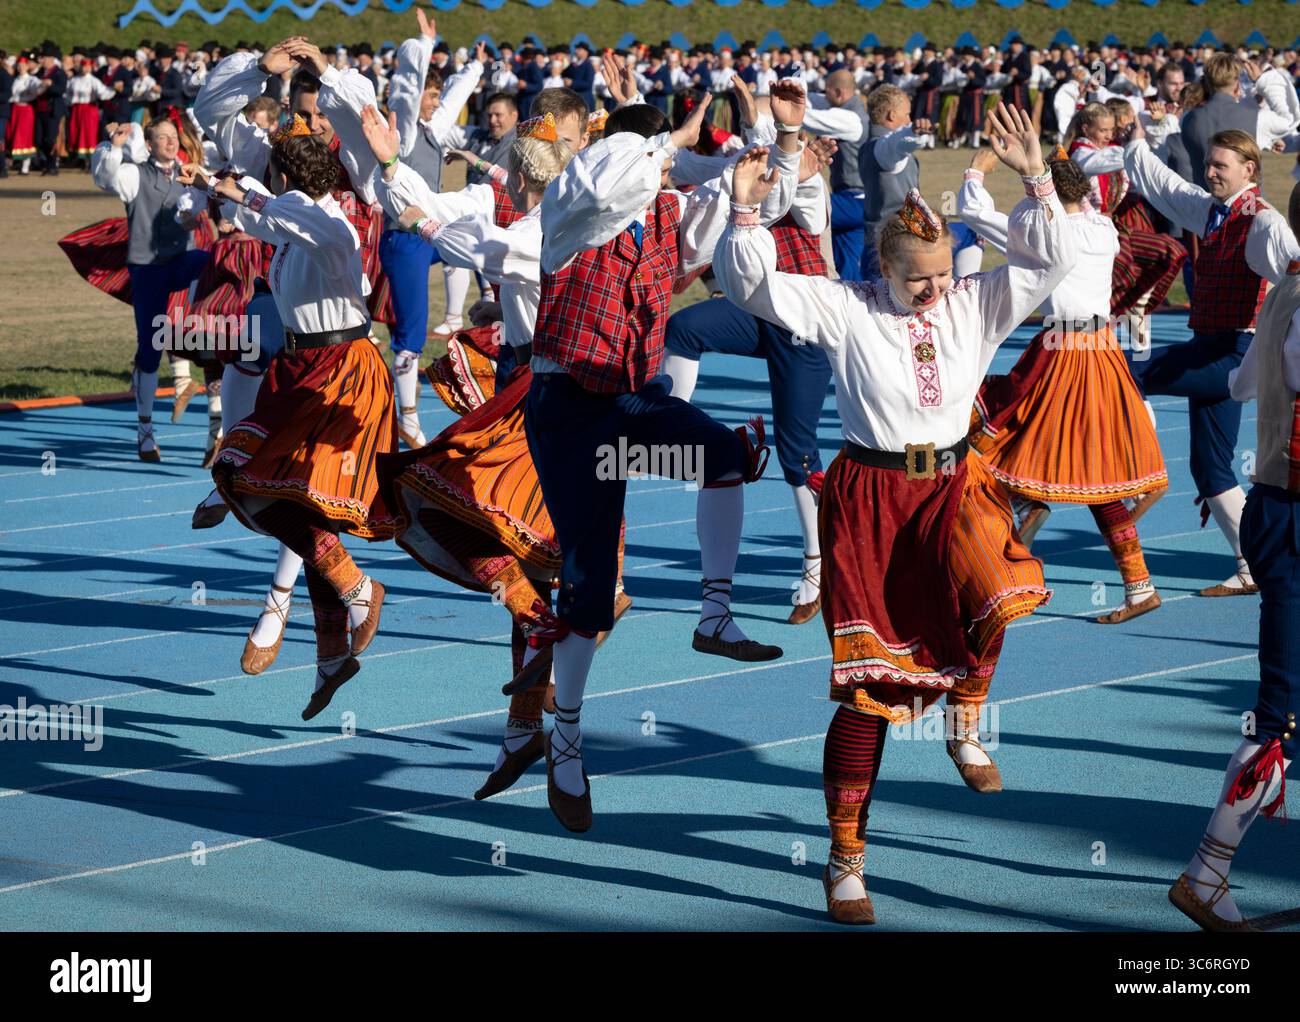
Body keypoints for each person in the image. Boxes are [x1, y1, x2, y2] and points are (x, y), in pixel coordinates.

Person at [714, 103, 1072, 924]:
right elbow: (751, 284)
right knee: (873, 692)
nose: (936, 288)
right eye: (920, 277)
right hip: (872, 503)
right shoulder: (848, 308)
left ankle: (966, 718)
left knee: (1004, 588)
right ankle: (844, 861)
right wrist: (742, 210)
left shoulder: (972, 305)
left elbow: (1048, 262)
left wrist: (1034, 173)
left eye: (944, 272)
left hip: (954, 487)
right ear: (883, 265)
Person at [522, 91, 800, 832]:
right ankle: (568, 736)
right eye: (660, 155)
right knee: (585, 587)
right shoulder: (571, 212)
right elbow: (613, 174)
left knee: (726, 456)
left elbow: (719, 214)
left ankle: (714, 616)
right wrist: (657, 141)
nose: (667, 166)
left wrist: (744, 183)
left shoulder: (662, 212)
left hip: (628, 406)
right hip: (568, 411)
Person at [186, 117, 394, 722]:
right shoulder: (295, 218)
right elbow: (265, 219)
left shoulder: (328, 221)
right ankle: (333, 651)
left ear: (285, 178)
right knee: (262, 484)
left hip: (342, 368)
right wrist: (211, 185)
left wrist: (242, 191)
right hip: (303, 364)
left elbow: (280, 214)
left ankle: (356, 592)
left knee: (279, 489)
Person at [960, 146, 1167, 623]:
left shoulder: (1040, 231)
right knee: (1099, 472)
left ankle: (1008, 545)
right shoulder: (1102, 228)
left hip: (1061, 354)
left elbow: (973, 211)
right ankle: (1138, 587)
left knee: (989, 441)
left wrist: (977, 171)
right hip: (1103, 351)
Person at [1169, 181, 1300, 932]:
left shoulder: (1284, 292)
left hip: (1277, 505)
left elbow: (1244, 383)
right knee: (1277, 712)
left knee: (1285, 703)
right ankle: (1207, 870)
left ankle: (1209, 869)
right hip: (1292, 513)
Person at [663, 75, 837, 624]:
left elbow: (784, 189)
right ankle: (671, 423)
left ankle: (818, 564)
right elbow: (682, 166)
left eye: (765, 140)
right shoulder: (744, 170)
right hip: (759, 310)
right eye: (752, 142)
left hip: (802, 321)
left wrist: (787, 135)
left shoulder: (806, 185)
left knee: (797, 454)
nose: (752, 152)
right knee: (684, 327)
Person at [1124, 124, 1300, 594]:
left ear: (1249, 169)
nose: (1210, 172)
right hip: (1207, 346)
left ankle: (1140, 473)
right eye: (1209, 164)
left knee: (1125, 372)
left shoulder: (1261, 221)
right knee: (1211, 468)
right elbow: (1165, 187)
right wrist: (1142, 137)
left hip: (1233, 354)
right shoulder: (1211, 212)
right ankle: (1252, 566)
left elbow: (1293, 271)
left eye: (1220, 166)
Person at [379, 12, 486, 445]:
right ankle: (407, 415)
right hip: (405, 239)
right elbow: (406, 95)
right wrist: (421, 48)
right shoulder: (403, 133)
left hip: (433, 232)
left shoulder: (434, 128)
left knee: (481, 244)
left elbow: (453, 96)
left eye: (437, 95)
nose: (435, 101)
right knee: (409, 330)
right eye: (431, 94)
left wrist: (474, 67)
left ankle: (457, 317)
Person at [90, 117, 211, 461]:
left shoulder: (189, 175)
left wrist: (198, 214)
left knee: (215, 261)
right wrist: (112, 146)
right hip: (147, 269)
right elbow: (106, 178)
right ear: (150, 143)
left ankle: (212, 347)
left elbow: (207, 201)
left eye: (174, 137)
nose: (171, 143)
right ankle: (145, 432)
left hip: (180, 260)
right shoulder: (134, 175)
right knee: (150, 349)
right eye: (163, 138)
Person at [858, 84, 931, 282]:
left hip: (884, 245)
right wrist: (915, 133)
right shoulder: (882, 149)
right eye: (907, 114)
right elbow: (898, 144)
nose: (909, 119)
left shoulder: (868, 147)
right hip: (893, 252)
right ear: (891, 116)